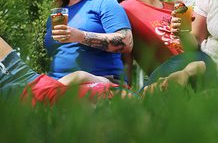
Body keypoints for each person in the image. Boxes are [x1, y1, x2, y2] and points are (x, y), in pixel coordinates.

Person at [0, 36, 205, 105]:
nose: (162, 83)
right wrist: (185, 74)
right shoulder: (126, 94)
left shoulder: (117, 112)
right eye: (163, 83)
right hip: (31, 80)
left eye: (163, 88)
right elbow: (200, 62)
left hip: (22, 96)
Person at [112, 0, 217, 88]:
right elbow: (124, 54)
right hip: (163, 72)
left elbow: (194, 48)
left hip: (196, 66)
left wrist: (183, 34)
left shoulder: (175, 8)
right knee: (201, 61)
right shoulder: (125, 8)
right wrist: (125, 88)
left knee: (202, 59)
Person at [44, 0, 132, 83]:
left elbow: (126, 42)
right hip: (57, 83)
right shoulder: (57, 15)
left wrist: (80, 36)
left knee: (78, 77)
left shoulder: (105, 2)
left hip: (101, 81)